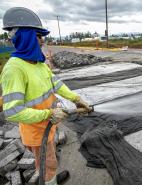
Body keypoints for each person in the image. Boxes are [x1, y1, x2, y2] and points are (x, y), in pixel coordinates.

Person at [1, 7, 92, 185]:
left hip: (48, 125)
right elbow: (12, 111)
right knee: (47, 164)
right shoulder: (14, 69)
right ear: (26, 36)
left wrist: (76, 99)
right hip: (36, 131)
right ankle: (50, 181)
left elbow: (57, 84)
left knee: (49, 161)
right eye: (38, 36)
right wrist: (48, 114)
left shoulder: (38, 63)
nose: (42, 41)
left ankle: (50, 178)